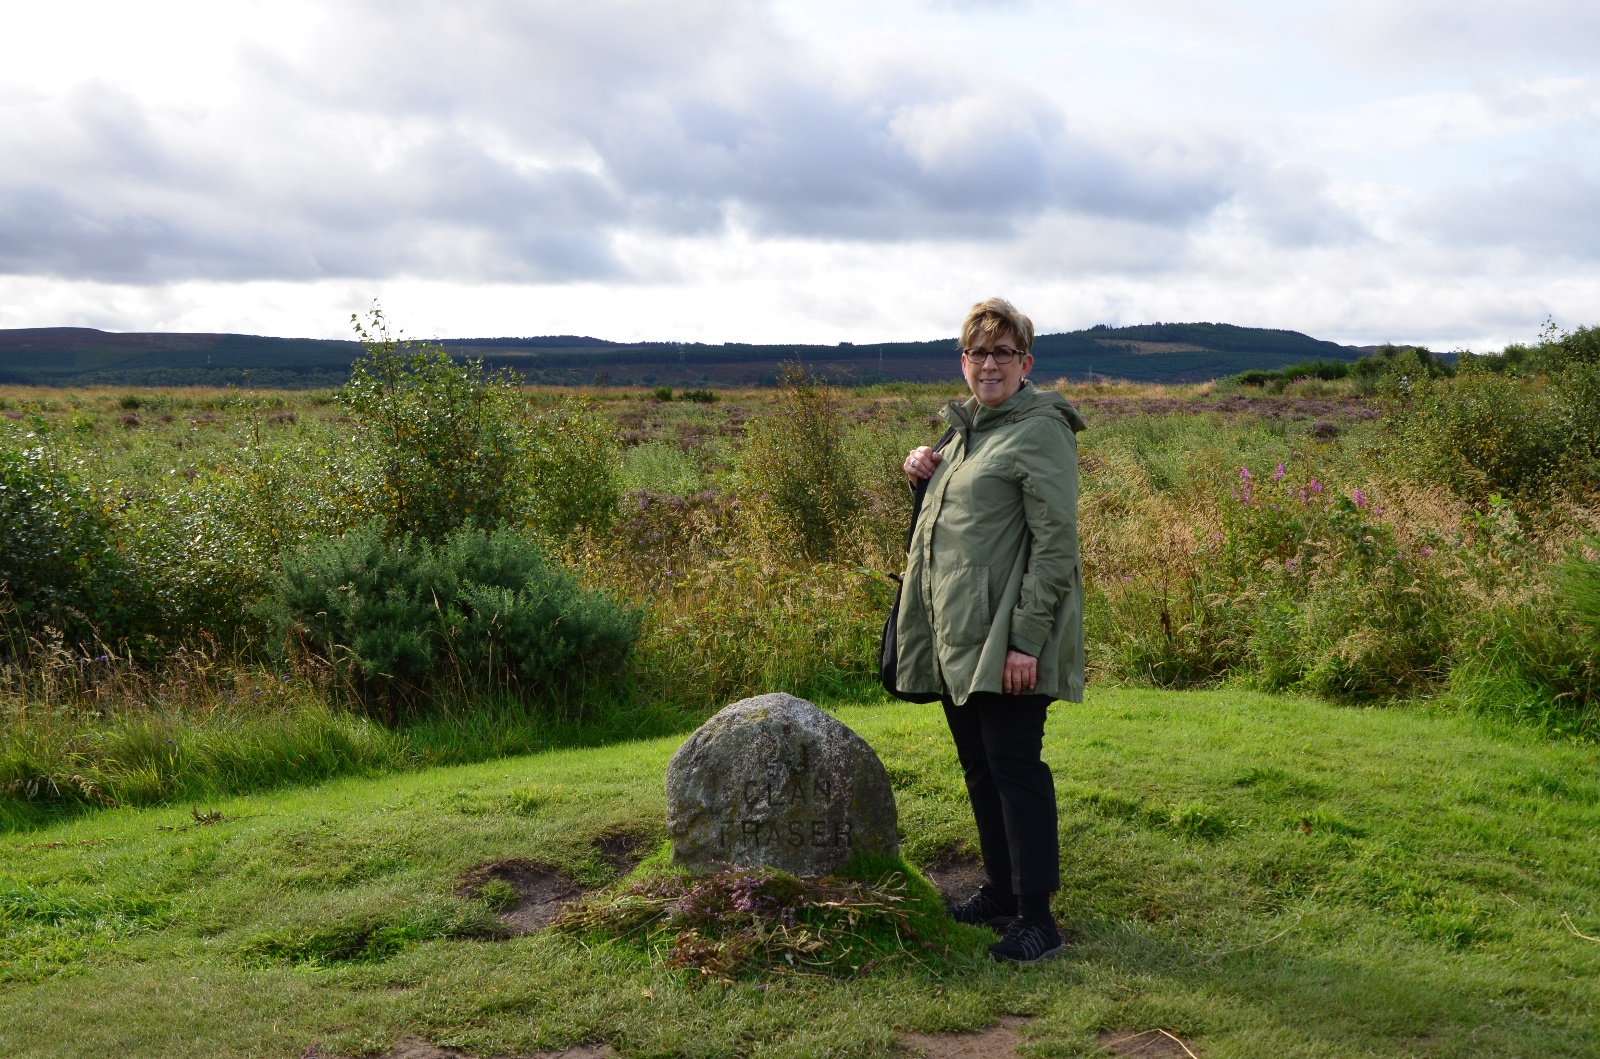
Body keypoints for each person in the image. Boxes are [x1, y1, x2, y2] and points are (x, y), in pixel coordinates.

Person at [897, 297, 1086, 964]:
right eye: (978, 352)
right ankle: (1003, 891)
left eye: (1003, 352)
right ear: (963, 361)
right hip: (958, 635)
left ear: (1025, 362)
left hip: (1008, 636)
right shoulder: (963, 431)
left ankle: (1038, 918)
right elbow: (956, 522)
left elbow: (1056, 543)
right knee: (981, 767)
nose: (989, 363)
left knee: (1015, 768)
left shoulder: (1039, 429)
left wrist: (1026, 640)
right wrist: (924, 469)